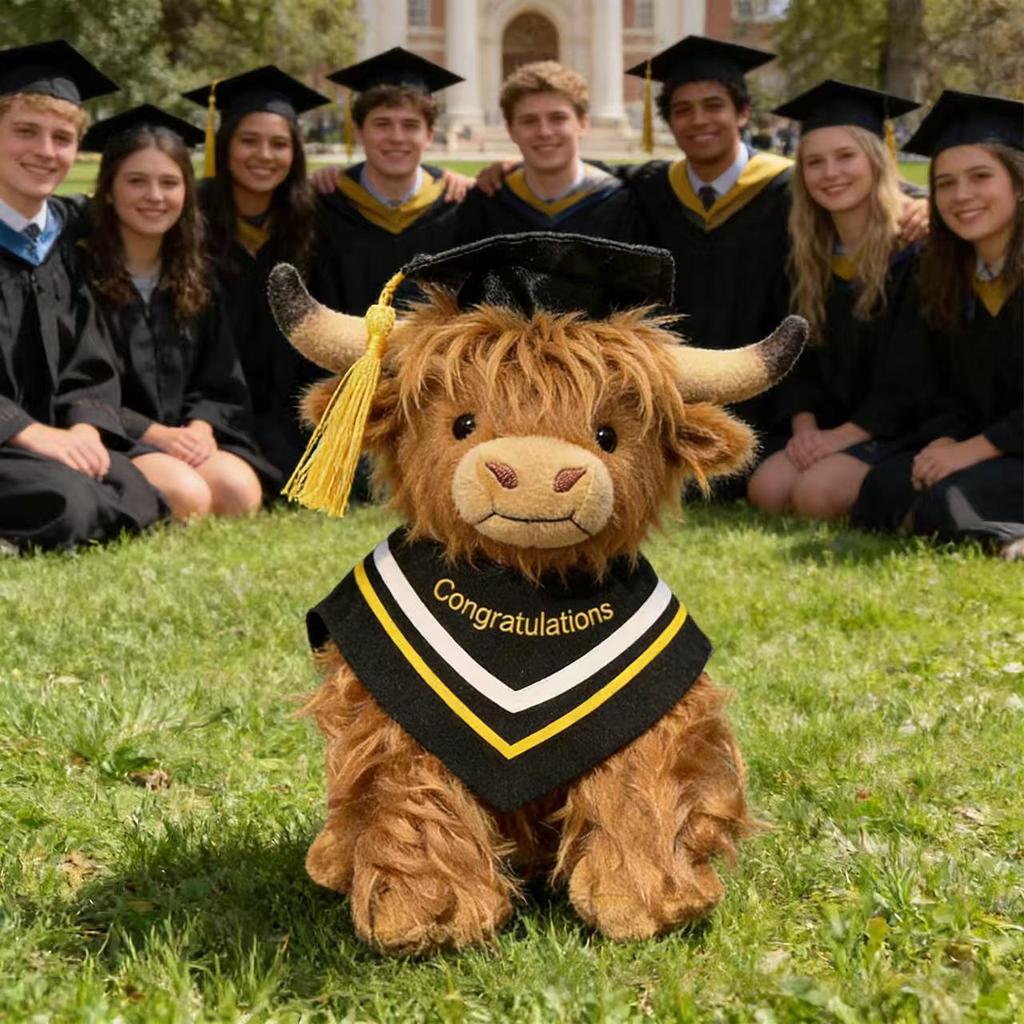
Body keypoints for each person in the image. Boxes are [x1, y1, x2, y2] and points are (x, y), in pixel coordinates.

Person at [0, 40, 165, 551]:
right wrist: (25, 432)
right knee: (70, 499)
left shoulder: (63, 241)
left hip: (46, 444)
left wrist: (86, 431)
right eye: (25, 132)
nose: (46, 152)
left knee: (134, 489)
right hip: (13, 441)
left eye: (63, 138)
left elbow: (88, 364)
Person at [78, 105, 274, 521]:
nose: (154, 196)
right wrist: (155, 435)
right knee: (188, 497)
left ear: (186, 193)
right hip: (113, 436)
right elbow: (80, 389)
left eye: (169, 183)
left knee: (239, 492)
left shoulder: (195, 276)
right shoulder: (79, 276)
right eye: (136, 181)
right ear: (108, 190)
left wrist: (201, 428)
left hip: (181, 436)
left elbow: (220, 379)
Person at [852, 91, 1023, 558]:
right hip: (998, 449)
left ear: (1019, 185)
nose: (960, 195)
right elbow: (950, 391)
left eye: (980, 177)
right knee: (884, 487)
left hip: (1008, 446)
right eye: (945, 183)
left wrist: (973, 450)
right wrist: (946, 439)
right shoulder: (954, 278)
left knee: (950, 501)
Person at [746, 81, 924, 521]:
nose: (830, 173)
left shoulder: (915, 249)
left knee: (814, 496)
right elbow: (797, 358)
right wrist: (805, 428)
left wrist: (844, 436)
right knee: (767, 489)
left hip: (904, 428)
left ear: (877, 160)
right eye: (814, 162)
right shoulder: (806, 255)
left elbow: (915, 370)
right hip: (833, 427)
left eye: (846, 156)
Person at [182, 66, 331, 485]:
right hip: (200, 405)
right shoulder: (189, 217)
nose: (264, 155)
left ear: (295, 153)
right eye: (249, 141)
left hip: (287, 410)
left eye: (279, 144)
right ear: (225, 145)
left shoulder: (311, 220)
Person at [312, 47, 466, 315]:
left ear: (429, 135)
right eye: (382, 124)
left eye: (410, 125)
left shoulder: (459, 205)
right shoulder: (326, 204)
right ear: (359, 132)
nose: (396, 137)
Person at [455, 61, 643, 244]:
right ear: (511, 131)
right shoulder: (486, 203)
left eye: (558, 118)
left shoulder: (622, 202)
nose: (544, 132)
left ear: (584, 124)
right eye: (529, 121)